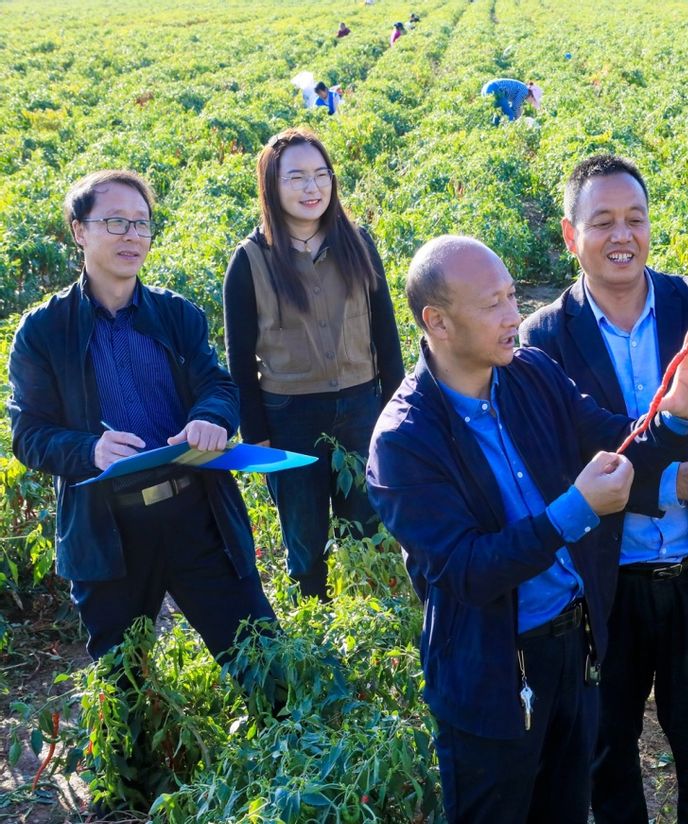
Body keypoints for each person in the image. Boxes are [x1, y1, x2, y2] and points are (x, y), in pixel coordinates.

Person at [367, 235, 688, 823]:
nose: (514, 316)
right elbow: (466, 571)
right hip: (493, 673)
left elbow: (615, 438)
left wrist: (675, 415)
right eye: (493, 305)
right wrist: (575, 511)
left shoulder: (530, 372)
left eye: (513, 296)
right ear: (436, 321)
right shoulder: (405, 441)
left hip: (572, 650)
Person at [7, 170, 277, 805]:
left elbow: (220, 383)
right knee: (119, 680)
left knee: (257, 653)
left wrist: (212, 416)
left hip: (195, 516)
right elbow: (29, 434)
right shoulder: (43, 332)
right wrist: (88, 449)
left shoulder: (176, 315)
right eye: (115, 222)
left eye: (142, 223)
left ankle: (291, 765)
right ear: (79, 231)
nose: (132, 235)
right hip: (109, 530)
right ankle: (128, 796)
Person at [521, 154, 688, 823]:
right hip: (605, 585)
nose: (622, 234)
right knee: (607, 758)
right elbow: (565, 461)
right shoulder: (542, 340)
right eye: (603, 222)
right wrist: (674, 478)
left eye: (635, 218)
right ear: (571, 236)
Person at [223, 128, 404, 601]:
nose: (312, 188)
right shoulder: (250, 260)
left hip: (362, 407)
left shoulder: (358, 243)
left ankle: (370, 621)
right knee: (305, 540)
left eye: (321, 175)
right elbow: (239, 360)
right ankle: (315, 623)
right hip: (290, 417)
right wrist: (255, 433)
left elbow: (385, 335)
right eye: (297, 177)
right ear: (271, 186)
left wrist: (397, 408)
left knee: (367, 527)